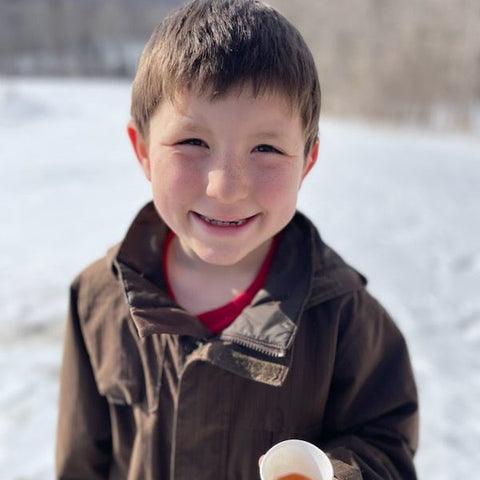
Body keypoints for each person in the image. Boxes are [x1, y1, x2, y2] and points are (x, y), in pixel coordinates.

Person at [55, 0, 419, 479]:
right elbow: (81, 462)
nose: (225, 186)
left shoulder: (343, 317)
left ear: (306, 163)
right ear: (143, 150)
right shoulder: (98, 300)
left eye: (265, 148)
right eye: (193, 143)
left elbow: (387, 442)